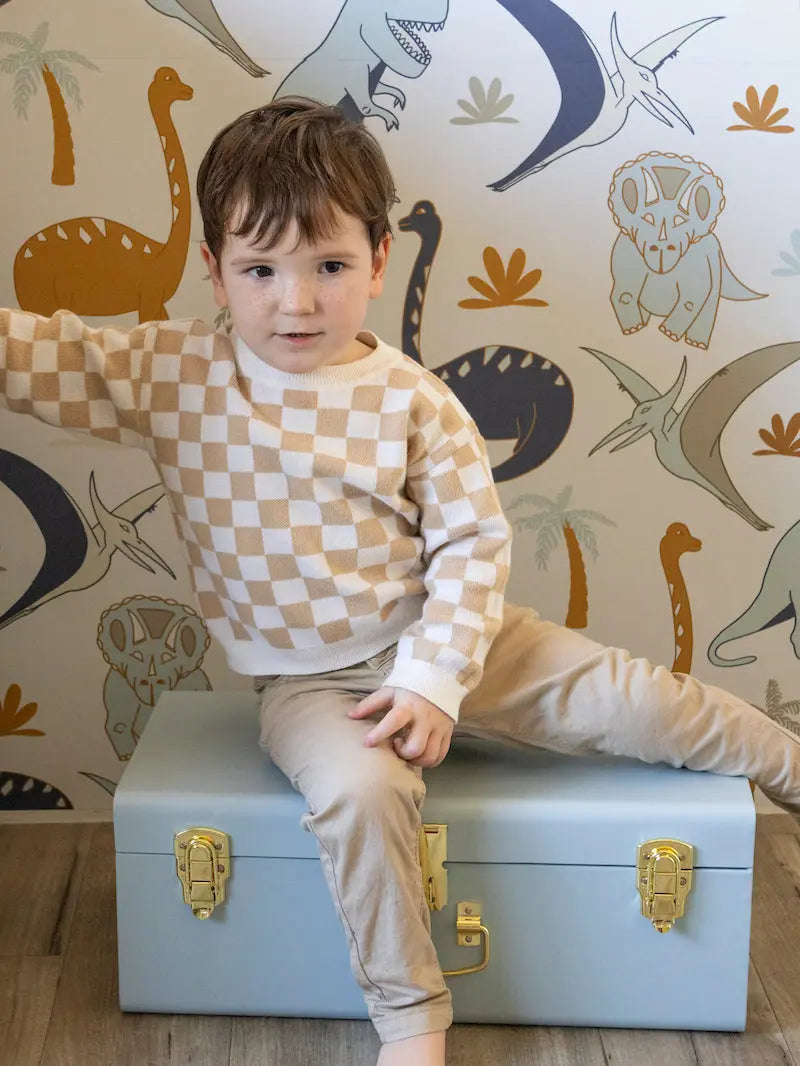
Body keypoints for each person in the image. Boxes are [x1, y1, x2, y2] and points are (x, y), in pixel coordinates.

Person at [1, 96, 799, 1066]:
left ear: (378, 260)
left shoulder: (412, 402)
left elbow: (470, 543)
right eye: (260, 271)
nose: (295, 303)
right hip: (314, 683)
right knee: (357, 796)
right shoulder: (175, 374)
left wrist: (432, 676)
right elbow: (44, 357)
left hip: (457, 639)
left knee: (642, 701)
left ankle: (784, 762)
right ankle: (411, 1014)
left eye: (328, 267)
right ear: (212, 271)